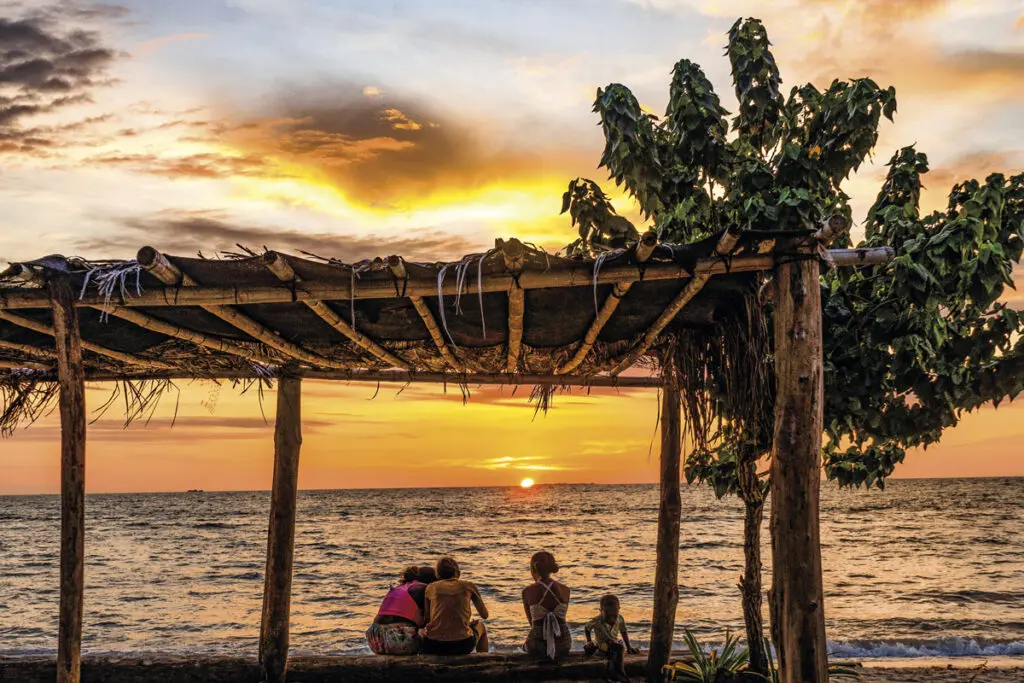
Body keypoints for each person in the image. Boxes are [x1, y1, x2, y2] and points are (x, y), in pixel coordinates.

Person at [421, 556, 490, 655]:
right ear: (458, 572)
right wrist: (467, 624)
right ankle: (483, 661)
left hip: (435, 645)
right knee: (481, 627)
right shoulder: (469, 586)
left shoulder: (431, 588)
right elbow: (485, 615)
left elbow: (428, 620)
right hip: (463, 644)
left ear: (438, 575)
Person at [365, 565, 433, 655]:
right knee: (427, 632)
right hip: (398, 638)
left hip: (374, 637)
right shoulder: (422, 588)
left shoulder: (399, 587)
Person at [521, 551, 571, 660]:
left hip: (537, 646)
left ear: (533, 569)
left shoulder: (527, 591)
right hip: (564, 645)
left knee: (525, 646)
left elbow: (532, 624)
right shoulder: (565, 590)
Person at [584, 594, 638, 682]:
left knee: (619, 646)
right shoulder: (596, 620)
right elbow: (587, 628)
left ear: (618, 610)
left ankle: (616, 673)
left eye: (614, 615)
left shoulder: (620, 619)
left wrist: (629, 647)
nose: (612, 618)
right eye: (608, 615)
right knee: (616, 647)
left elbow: (623, 632)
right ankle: (620, 673)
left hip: (615, 644)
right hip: (602, 645)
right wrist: (589, 641)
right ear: (601, 611)